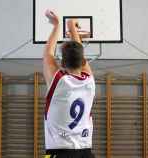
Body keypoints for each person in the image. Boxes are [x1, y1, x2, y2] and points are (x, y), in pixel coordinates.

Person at [42, 10, 95, 158]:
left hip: (60, 152)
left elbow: (48, 55)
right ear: (84, 61)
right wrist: (71, 26)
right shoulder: (89, 81)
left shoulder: (58, 81)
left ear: (62, 63)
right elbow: (79, 55)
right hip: (86, 152)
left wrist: (56, 25)